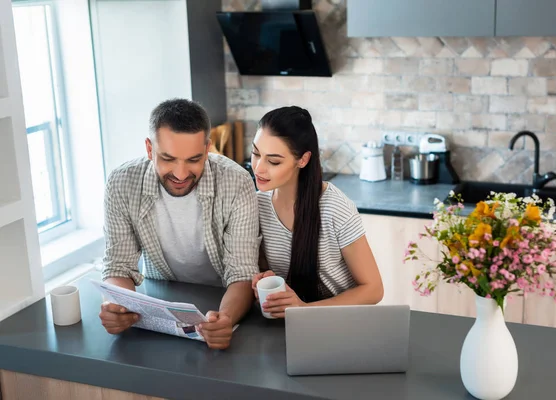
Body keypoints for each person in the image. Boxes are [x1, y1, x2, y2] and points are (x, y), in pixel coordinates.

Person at [99, 99, 261, 349]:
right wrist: (117, 306)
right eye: (168, 159)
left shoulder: (237, 182)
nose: (181, 174)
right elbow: (119, 265)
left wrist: (225, 318)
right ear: (149, 149)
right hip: (162, 301)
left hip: (222, 300)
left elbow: (242, 272)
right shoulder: (121, 183)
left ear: (207, 149)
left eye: (194, 159)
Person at [250, 106, 384, 318]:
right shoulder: (258, 204)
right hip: (290, 324)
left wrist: (303, 310)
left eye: (273, 161)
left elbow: (373, 289)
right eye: (256, 153)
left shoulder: (334, 207)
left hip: (343, 323)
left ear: (302, 160)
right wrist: (266, 279)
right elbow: (273, 271)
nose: (258, 168)